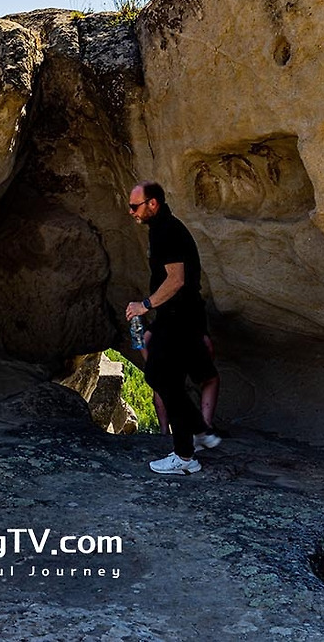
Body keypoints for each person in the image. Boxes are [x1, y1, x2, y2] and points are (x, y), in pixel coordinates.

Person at [125, 181, 221, 475]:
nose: (132, 212)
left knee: (160, 376)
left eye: (135, 206)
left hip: (179, 316)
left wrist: (145, 305)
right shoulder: (162, 229)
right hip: (179, 316)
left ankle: (186, 452)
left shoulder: (168, 231)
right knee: (167, 379)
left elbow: (176, 279)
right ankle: (197, 436)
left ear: (153, 203)